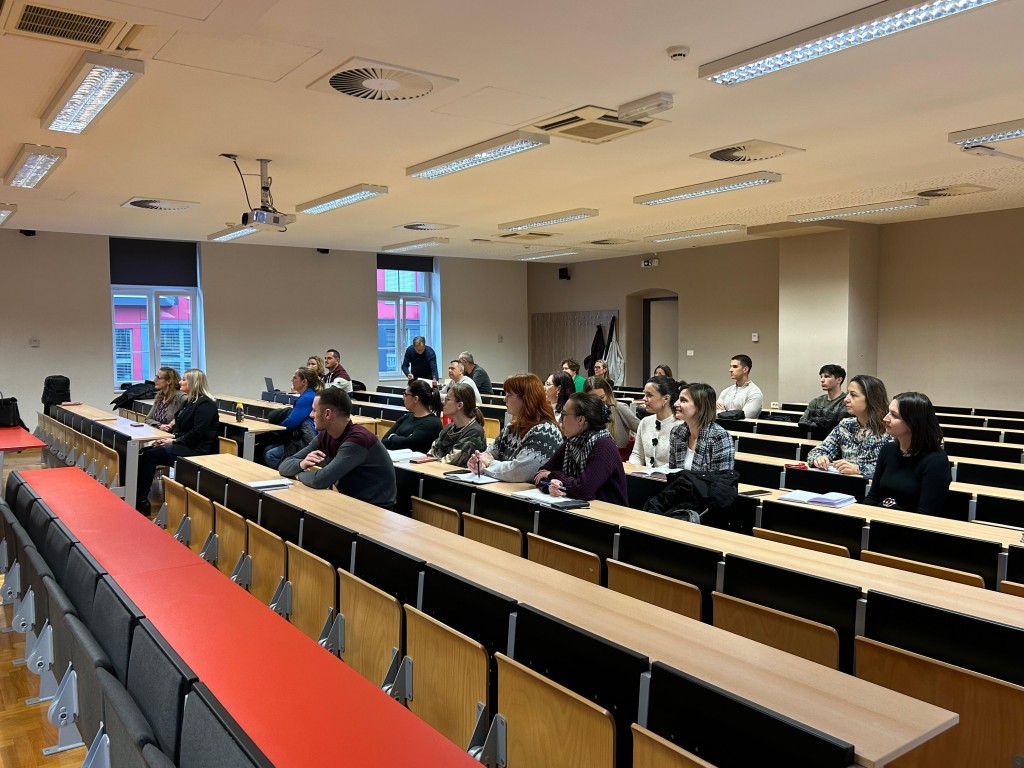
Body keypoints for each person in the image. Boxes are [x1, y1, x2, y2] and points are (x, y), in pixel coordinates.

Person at [279, 387, 396, 509]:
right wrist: (302, 464)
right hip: (351, 501)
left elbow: (321, 479)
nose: (311, 415)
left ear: (328, 414)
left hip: (375, 508)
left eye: (314, 410)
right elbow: (284, 466)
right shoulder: (326, 435)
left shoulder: (358, 440)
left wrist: (298, 475)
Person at [136, 368, 219, 514]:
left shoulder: (206, 404)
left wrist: (174, 442)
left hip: (197, 449)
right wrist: (169, 439)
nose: (180, 382)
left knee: (149, 455)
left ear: (194, 382)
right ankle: (140, 497)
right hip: (185, 444)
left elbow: (197, 433)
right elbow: (182, 428)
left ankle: (141, 500)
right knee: (145, 451)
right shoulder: (191, 402)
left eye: (184, 379)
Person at [865, 392, 951, 515]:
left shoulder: (936, 461)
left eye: (894, 415)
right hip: (882, 519)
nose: (885, 418)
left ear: (913, 423)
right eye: (888, 412)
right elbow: (873, 497)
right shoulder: (887, 450)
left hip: (911, 525)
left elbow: (926, 514)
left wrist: (890, 509)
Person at [534, 393, 628, 504]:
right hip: (580, 508)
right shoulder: (571, 443)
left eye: (564, 415)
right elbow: (540, 475)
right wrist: (551, 486)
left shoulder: (604, 445)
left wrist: (553, 475)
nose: (560, 421)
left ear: (581, 420)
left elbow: (583, 490)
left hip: (608, 511)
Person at [467, 373, 562, 482]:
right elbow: (489, 454)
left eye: (509, 395)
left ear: (526, 399)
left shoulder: (546, 431)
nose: (504, 399)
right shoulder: (511, 428)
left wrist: (489, 464)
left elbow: (520, 472)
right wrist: (479, 462)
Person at [807, 374, 891, 477]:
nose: (846, 399)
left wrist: (859, 469)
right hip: (847, 483)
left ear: (871, 399)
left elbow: (895, 468)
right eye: (847, 394)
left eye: (853, 395)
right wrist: (819, 458)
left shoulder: (889, 429)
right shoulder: (846, 425)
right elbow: (816, 452)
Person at [668, 383, 736, 471]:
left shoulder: (719, 437)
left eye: (683, 400)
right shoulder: (677, 432)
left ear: (700, 406)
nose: (675, 404)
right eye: (678, 399)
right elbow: (672, 470)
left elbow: (721, 478)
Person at [264, 368, 318, 469]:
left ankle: (287, 472)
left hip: (305, 441)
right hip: (302, 437)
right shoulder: (309, 395)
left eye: (295, 378)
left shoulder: (307, 398)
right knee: (268, 448)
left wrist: (275, 430)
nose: (291, 380)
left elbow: (291, 422)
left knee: (270, 455)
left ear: (304, 382)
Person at [429, 382, 487, 466]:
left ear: (460, 405)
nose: (443, 402)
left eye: (447, 399)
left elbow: (451, 462)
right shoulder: (449, 428)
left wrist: (430, 462)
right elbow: (431, 453)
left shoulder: (474, 432)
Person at [629, 375, 679, 468]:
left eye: (649, 395)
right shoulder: (644, 422)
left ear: (666, 398)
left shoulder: (681, 426)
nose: (644, 399)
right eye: (645, 394)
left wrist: (652, 472)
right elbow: (637, 455)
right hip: (645, 475)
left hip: (668, 476)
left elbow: (677, 463)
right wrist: (632, 467)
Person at [380, 379, 443, 453]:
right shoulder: (406, 417)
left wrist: (393, 437)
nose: (403, 398)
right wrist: (397, 439)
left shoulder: (432, 423)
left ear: (416, 399)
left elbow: (409, 445)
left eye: (406, 395)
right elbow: (384, 440)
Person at [583, 376, 639, 458]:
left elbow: (643, 430)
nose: (599, 402)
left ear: (607, 393)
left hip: (620, 459)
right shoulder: (585, 414)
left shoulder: (620, 408)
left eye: (602, 397)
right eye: (594, 399)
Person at [716, 354, 763, 419]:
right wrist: (726, 413)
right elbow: (714, 413)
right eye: (731, 366)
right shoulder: (726, 391)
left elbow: (746, 416)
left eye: (735, 367)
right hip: (721, 425)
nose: (730, 370)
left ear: (745, 369)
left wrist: (724, 412)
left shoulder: (754, 393)